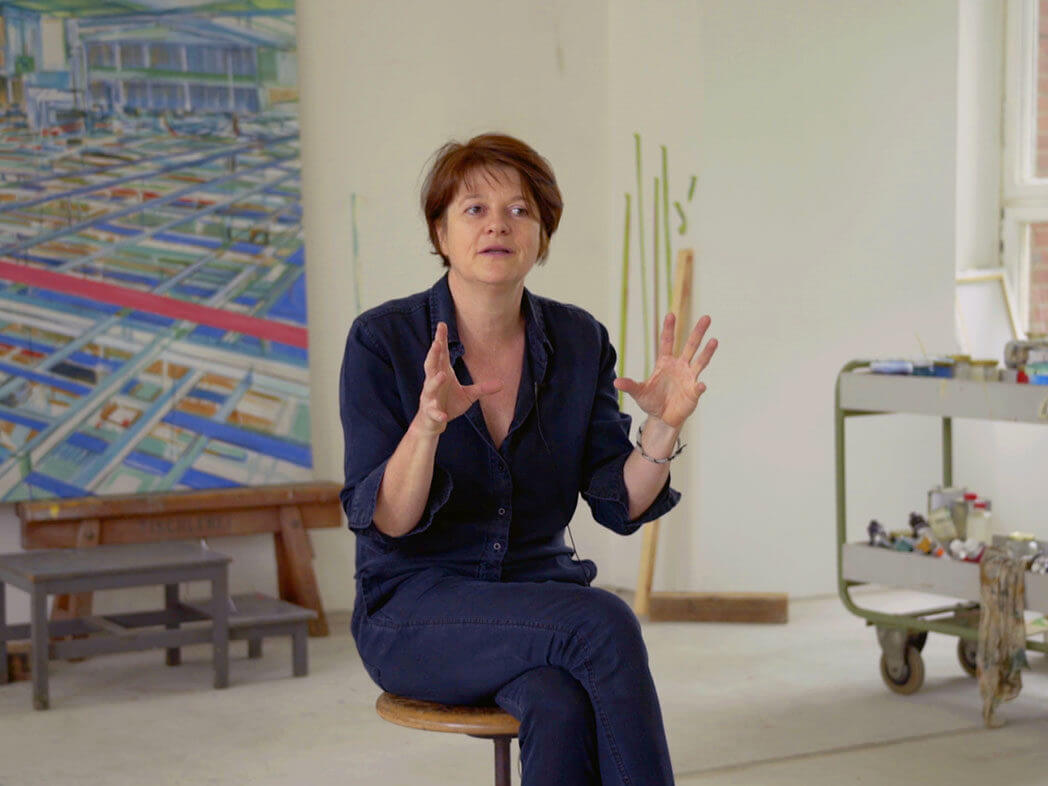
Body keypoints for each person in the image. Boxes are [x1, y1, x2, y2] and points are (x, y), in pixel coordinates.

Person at [340, 133, 717, 786]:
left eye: (520, 210)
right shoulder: (383, 340)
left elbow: (619, 503)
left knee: (558, 701)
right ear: (440, 232)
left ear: (542, 235)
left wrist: (662, 427)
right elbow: (390, 521)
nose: (498, 225)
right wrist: (427, 426)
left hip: (539, 598)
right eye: (474, 209)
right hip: (414, 611)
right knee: (602, 622)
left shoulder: (578, 340)